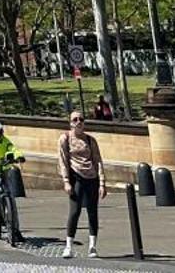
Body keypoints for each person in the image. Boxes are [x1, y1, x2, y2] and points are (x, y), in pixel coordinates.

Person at [58, 111, 105, 259]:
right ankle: (68, 246)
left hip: (92, 178)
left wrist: (102, 183)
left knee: (92, 212)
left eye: (81, 119)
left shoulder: (90, 140)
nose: (78, 122)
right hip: (75, 177)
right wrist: (66, 181)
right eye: (75, 119)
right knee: (75, 212)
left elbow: (98, 161)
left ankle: (93, 246)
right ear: (70, 123)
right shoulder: (65, 138)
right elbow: (63, 160)